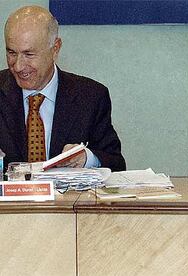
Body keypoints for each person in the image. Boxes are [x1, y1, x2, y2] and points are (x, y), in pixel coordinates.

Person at [0, 6, 126, 171]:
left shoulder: (91, 96)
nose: (18, 66)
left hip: (68, 197)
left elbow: (116, 163)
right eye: (12, 53)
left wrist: (87, 158)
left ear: (55, 49)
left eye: (29, 54)